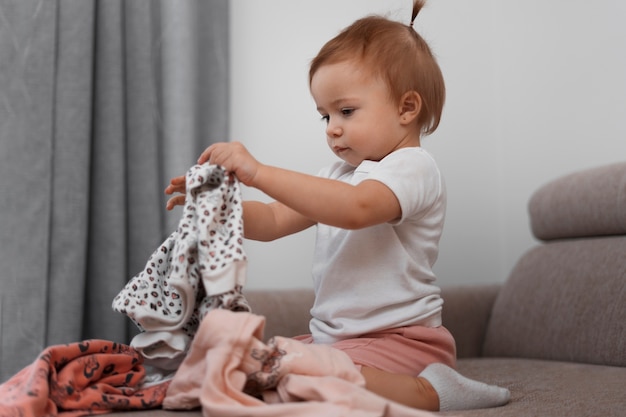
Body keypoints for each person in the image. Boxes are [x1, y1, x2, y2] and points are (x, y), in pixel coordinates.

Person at [165, 0, 509, 411]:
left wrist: (257, 171)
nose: (333, 129)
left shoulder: (414, 168)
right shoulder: (337, 177)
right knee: (255, 364)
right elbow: (274, 219)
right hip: (337, 341)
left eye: (345, 110)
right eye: (324, 116)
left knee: (302, 374)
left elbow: (356, 209)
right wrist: (216, 208)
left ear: (406, 108)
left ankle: (435, 390)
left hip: (401, 343)